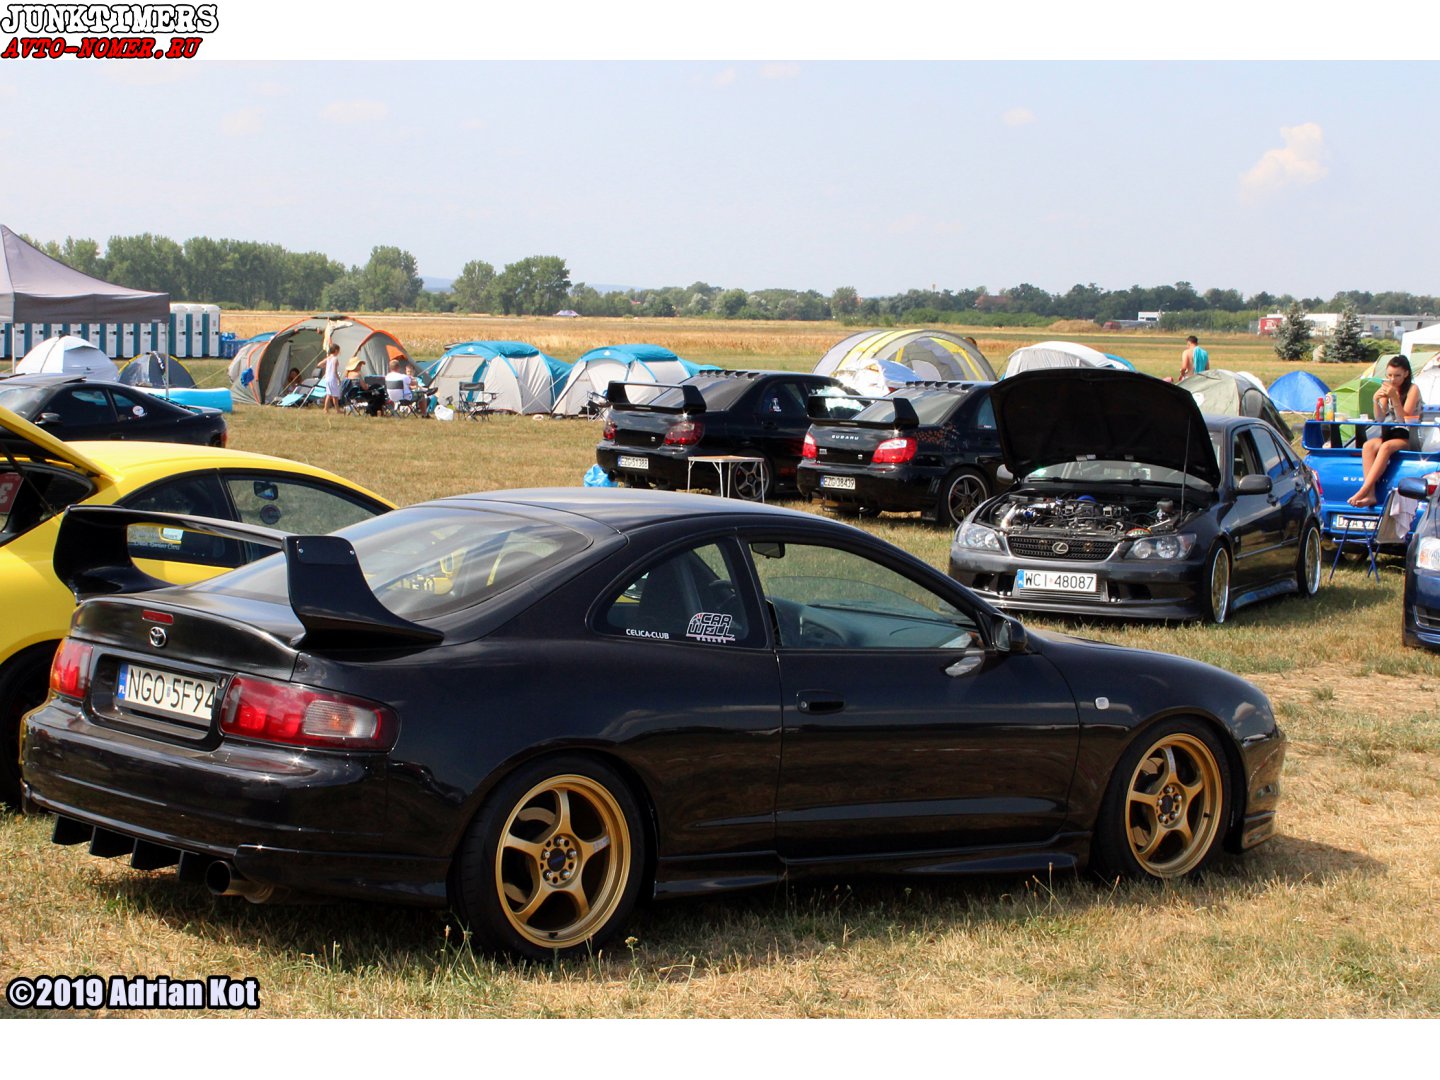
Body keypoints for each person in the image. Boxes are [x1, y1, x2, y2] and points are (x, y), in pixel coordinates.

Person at [1348, 355, 1421, 507]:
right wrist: (1376, 400)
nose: (1393, 379)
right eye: (1389, 375)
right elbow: (1380, 418)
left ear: (1406, 374)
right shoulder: (1387, 387)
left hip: (1410, 434)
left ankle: (1364, 489)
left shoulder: (1413, 389)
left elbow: (1403, 418)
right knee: (1368, 446)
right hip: (1391, 432)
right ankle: (1371, 495)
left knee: (1385, 447)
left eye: (1397, 376)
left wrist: (1394, 398)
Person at [321, 343, 342, 414]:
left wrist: (326, 367)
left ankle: (326, 409)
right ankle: (336, 410)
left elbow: (319, 364)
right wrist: (339, 379)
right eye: (339, 350)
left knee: (329, 394)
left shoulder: (328, 358)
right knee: (334, 395)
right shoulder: (335, 359)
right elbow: (335, 371)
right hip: (332, 378)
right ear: (336, 350)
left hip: (327, 378)